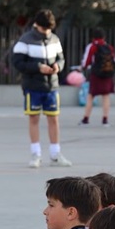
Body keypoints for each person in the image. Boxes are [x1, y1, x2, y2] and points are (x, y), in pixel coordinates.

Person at [12, 9, 72, 168]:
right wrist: (38, 67)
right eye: (44, 28)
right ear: (36, 25)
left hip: (52, 86)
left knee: (54, 119)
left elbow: (61, 59)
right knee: (34, 119)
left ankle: (55, 154)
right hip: (33, 86)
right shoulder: (25, 40)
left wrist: (57, 67)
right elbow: (17, 62)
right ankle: (35, 154)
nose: (47, 32)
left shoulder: (55, 39)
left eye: (49, 29)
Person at [79, 29, 115, 126]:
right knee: (106, 96)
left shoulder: (92, 46)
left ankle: (86, 118)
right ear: (104, 37)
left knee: (91, 96)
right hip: (108, 74)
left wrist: (82, 67)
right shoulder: (109, 47)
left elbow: (87, 61)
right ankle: (105, 119)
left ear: (93, 38)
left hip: (96, 74)